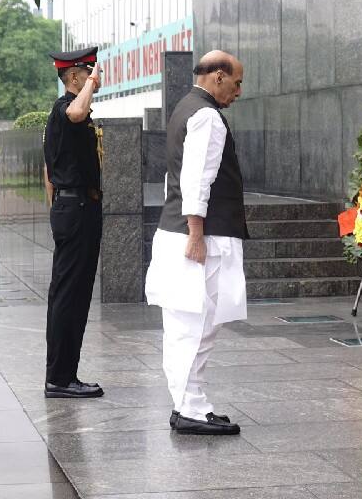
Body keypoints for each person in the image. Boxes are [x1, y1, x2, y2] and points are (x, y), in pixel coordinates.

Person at [144, 50, 248, 435]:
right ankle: (190, 408)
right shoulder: (206, 116)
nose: (238, 92)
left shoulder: (184, 107)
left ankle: (189, 404)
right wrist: (197, 234)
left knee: (185, 326)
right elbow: (194, 181)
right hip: (198, 237)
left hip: (179, 233)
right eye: (236, 83)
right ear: (218, 77)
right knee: (197, 325)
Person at [42, 47, 105, 399]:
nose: (95, 78)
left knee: (73, 295)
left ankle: (64, 374)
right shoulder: (66, 108)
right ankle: (60, 379)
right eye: (88, 73)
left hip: (76, 209)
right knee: (69, 296)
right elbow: (77, 109)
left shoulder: (65, 115)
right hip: (76, 209)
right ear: (75, 77)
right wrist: (90, 86)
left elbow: (47, 169)